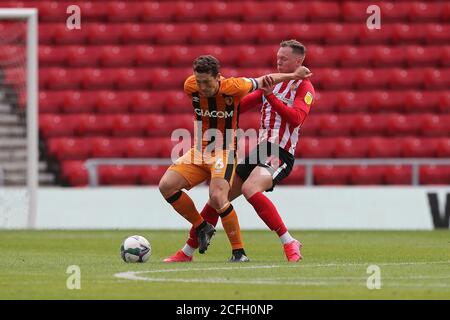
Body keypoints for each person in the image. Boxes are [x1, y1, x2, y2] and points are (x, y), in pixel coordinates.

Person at [164, 40, 315, 263]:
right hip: (261, 150)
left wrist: (269, 96)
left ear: (298, 61)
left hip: (280, 152)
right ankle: (187, 252)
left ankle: (289, 241)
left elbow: (296, 119)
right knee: (218, 198)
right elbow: (237, 106)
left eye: (284, 58)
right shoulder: (273, 83)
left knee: (250, 189)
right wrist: (223, 94)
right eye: (277, 57)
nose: (278, 61)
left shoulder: (304, 88)